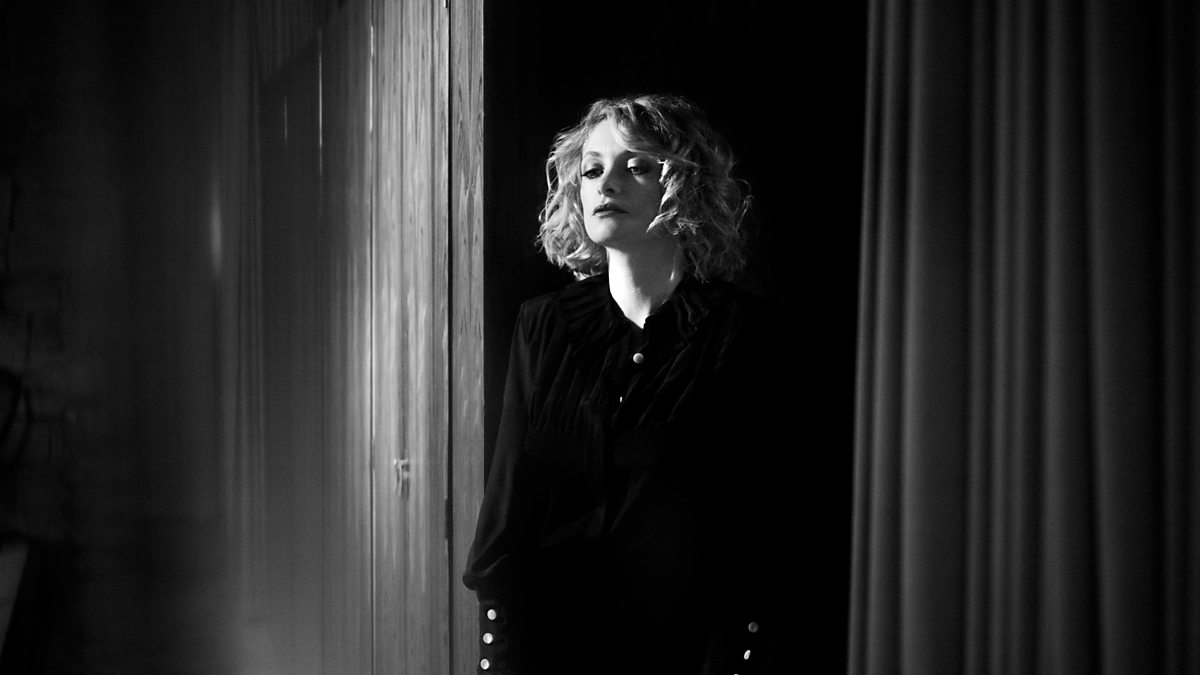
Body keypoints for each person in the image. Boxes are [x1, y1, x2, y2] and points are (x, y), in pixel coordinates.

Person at [463, 94, 785, 674]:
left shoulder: (743, 332)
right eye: (592, 170)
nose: (606, 183)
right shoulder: (543, 324)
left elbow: (763, 531)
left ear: (684, 185)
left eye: (636, 166)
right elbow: (507, 515)